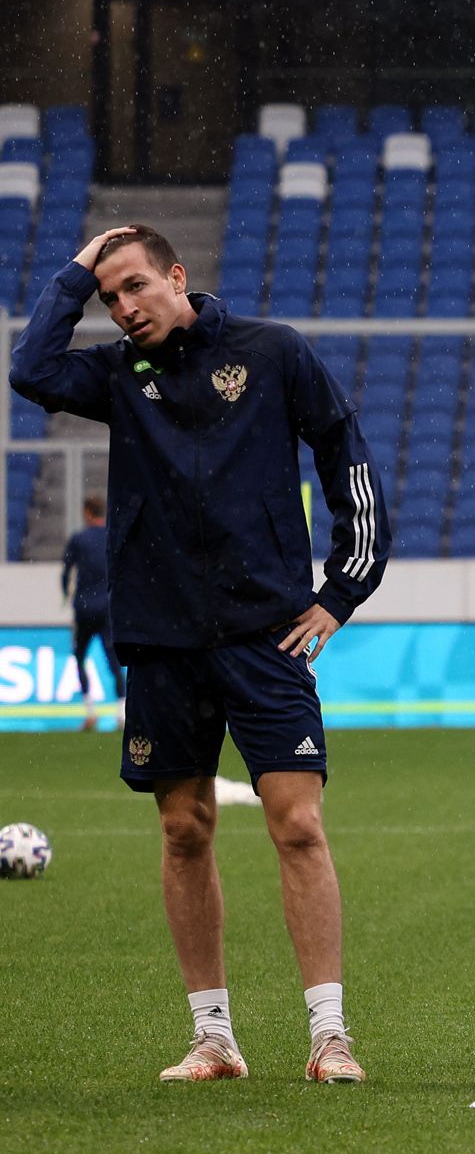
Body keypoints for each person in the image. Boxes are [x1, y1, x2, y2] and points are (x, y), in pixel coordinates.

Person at [13, 224, 385, 1082]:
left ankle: (330, 1036)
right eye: (110, 298)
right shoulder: (115, 373)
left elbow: (345, 454)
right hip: (162, 640)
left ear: (178, 276)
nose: (124, 307)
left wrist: (343, 588)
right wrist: (74, 272)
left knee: (297, 823)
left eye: (136, 286)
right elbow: (30, 368)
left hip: (266, 634)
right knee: (185, 830)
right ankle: (214, 1037)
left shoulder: (271, 352)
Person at [60, 491, 109, 730]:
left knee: (79, 656)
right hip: (108, 607)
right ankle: (122, 712)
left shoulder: (79, 539)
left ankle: (90, 711)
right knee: (113, 658)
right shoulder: (112, 536)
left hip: (85, 608)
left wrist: (64, 594)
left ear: (88, 513)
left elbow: (66, 571)